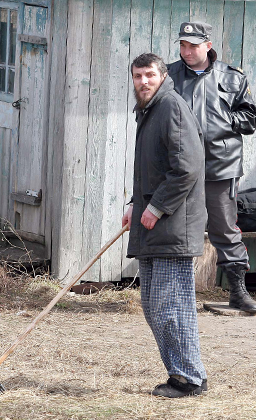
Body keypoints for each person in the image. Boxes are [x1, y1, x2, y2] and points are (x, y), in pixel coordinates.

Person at [123, 53, 208, 398]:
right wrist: (134, 204)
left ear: (162, 76)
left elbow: (187, 166)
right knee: (153, 305)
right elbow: (153, 170)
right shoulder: (149, 111)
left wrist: (157, 207)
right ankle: (182, 373)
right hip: (153, 225)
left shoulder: (170, 107)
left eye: (149, 75)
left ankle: (189, 378)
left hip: (173, 226)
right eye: (137, 76)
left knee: (170, 307)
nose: (143, 82)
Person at [168, 22, 256, 313]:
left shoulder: (232, 78)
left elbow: (250, 119)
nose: (186, 51)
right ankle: (176, 293)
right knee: (176, 228)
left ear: (207, 45)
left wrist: (225, 120)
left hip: (220, 165)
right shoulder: (167, 75)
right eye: (182, 45)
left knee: (224, 228)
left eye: (192, 45)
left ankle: (238, 293)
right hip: (179, 166)